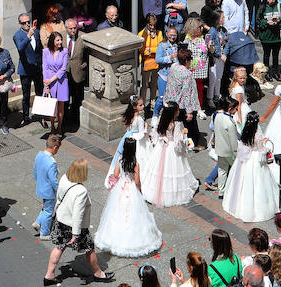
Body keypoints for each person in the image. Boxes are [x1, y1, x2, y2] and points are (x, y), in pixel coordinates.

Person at [93, 115, 162, 258]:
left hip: (121, 188)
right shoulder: (136, 163)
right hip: (131, 188)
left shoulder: (120, 159)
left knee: (117, 211)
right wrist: (140, 190)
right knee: (134, 213)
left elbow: (116, 174)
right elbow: (137, 180)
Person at [43, 157, 112, 286]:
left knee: (59, 247)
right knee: (89, 249)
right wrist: (76, 234)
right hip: (74, 226)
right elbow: (78, 214)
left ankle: (49, 275)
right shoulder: (81, 191)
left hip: (61, 219)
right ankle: (98, 274)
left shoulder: (64, 178)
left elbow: (59, 195)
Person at [220, 114, 279, 223]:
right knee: (258, 184)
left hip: (244, 161)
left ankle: (239, 206)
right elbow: (261, 150)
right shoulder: (257, 135)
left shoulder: (245, 132)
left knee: (242, 184)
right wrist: (265, 142)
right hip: (255, 160)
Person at [138, 103, 198, 207]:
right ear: (174, 112)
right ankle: (171, 194)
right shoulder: (176, 124)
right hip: (171, 148)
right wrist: (184, 133)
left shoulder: (161, 120)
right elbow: (178, 142)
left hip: (161, 147)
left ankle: (155, 192)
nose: (179, 111)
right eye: (178, 110)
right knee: (173, 170)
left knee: (158, 169)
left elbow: (156, 135)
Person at [31, 134, 61, 238]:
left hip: (40, 187)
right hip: (49, 191)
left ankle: (38, 222)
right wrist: (59, 190)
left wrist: (38, 181)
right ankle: (44, 233)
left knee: (45, 207)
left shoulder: (39, 155)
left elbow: (35, 170)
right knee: (49, 211)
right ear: (55, 147)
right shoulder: (52, 163)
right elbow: (53, 180)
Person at [43, 31, 70, 135]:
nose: (60, 42)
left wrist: (51, 79)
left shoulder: (64, 52)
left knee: (61, 106)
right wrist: (46, 83)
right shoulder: (45, 52)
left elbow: (63, 69)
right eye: (58, 40)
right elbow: (44, 68)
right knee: (52, 106)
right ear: (52, 41)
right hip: (50, 82)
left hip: (61, 81)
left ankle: (59, 127)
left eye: (61, 40)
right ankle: (52, 127)